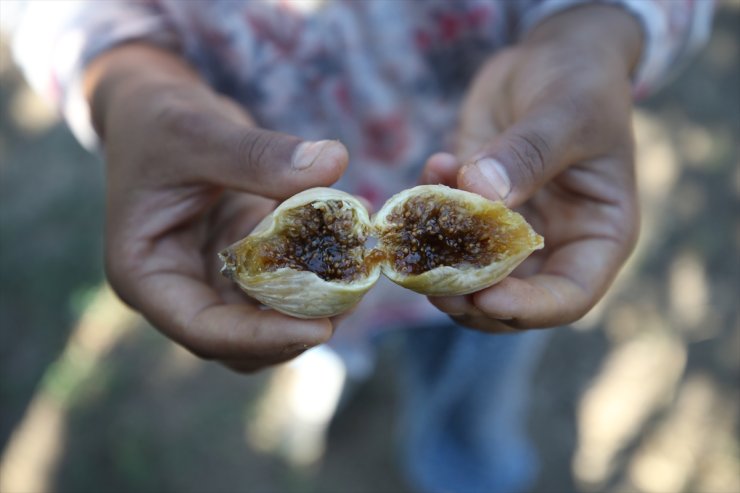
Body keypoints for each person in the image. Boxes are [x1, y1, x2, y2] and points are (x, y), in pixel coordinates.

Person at [10, 1, 712, 491]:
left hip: (505, 221)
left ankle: (466, 469)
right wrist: (128, 83)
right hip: (249, 207)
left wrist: (592, 34)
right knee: (318, 333)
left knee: (478, 367)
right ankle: (335, 368)